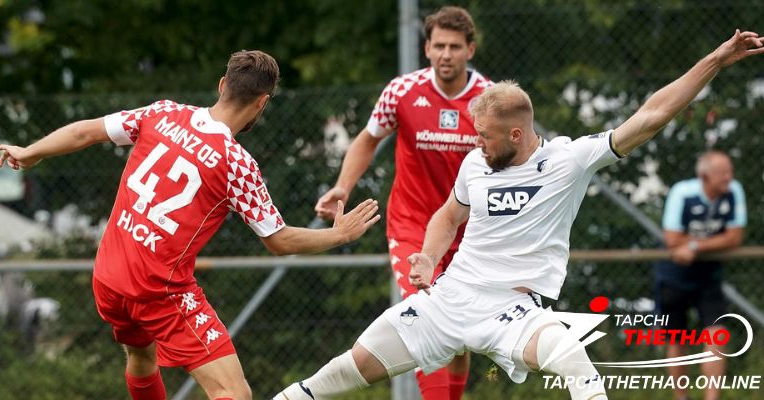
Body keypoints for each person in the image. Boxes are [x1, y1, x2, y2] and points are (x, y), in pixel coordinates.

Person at [275, 30, 764, 400]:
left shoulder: (569, 160)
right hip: (449, 300)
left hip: (513, 312)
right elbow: (447, 217)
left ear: (515, 135)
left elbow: (652, 114)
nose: (475, 143)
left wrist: (716, 60)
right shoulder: (475, 162)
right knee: (346, 368)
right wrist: (426, 258)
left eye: (484, 135)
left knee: (571, 355)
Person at [0, 50, 381, 400]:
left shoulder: (162, 113)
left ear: (222, 85)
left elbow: (83, 132)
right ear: (262, 103)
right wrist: (340, 234)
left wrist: (31, 152)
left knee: (142, 357)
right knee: (233, 392)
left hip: (109, 276)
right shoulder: (237, 163)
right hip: (158, 290)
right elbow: (279, 240)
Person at [313, 7, 491, 398]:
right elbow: (367, 139)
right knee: (429, 316)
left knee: (459, 335)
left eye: (455, 47)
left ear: (470, 50)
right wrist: (344, 186)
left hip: (469, 231)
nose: (446, 54)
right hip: (411, 224)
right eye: (439, 45)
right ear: (426, 48)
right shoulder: (402, 91)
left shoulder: (488, 100)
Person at [656, 150, 746, 400]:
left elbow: (735, 236)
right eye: (722, 173)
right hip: (673, 275)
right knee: (676, 337)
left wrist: (694, 246)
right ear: (705, 176)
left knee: (716, 332)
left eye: (730, 171)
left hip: (708, 275)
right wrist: (714, 240)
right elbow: (672, 239)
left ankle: (712, 398)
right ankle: (681, 397)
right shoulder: (682, 193)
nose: (729, 177)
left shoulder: (733, 191)